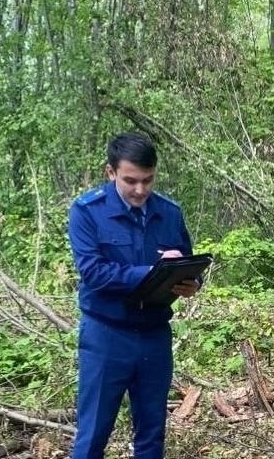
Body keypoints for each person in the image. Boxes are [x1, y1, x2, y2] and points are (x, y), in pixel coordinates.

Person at [68, 131, 200, 459]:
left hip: (154, 334)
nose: (140, 189)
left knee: (152, 434)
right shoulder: (87, 212)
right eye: (130, 180)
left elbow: (186, 261)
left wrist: (192, 282)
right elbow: (94, 273)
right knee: (93, 434)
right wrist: (154, 271)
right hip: (106, 335)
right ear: (110, 172)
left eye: (148, 180)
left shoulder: (169, 212)